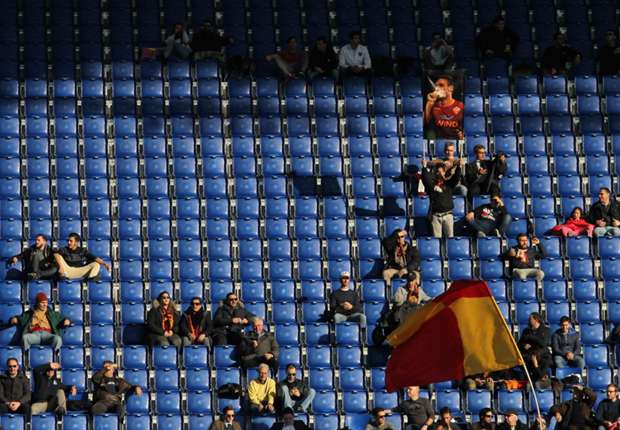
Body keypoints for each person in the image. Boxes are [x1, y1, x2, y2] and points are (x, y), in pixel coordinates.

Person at [421, 158, 460, 238]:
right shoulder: (431, 186)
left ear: (444, 172)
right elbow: (425, 179)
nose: (439, 174)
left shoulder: (448, 184)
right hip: (436, 216)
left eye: (441, 171)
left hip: (448, 215)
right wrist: (424, 168)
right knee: (437, 239)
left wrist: (459, 167)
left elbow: (456, 178)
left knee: (450, 238)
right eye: (437, 172)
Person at [423, 75, 464, 140]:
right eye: (436, 86)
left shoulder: (461, 106)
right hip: (438, 141)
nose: (437, 89)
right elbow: (425, 124)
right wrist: (429, 103)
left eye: (441, 85)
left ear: (451, 88)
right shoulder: (433, 106)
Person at [518, 312, 551, 387]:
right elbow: (519, 344)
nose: (529, 321)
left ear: (536, 320)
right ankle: (537, 381)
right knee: (525, 361)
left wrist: (531, 337)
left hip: (542, 355)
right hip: (529, 354)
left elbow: (543, 343)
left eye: (530, 319)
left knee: (544, 362)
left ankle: (535, 381)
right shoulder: (526, 331)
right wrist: (524, 345)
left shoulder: (545, 330)